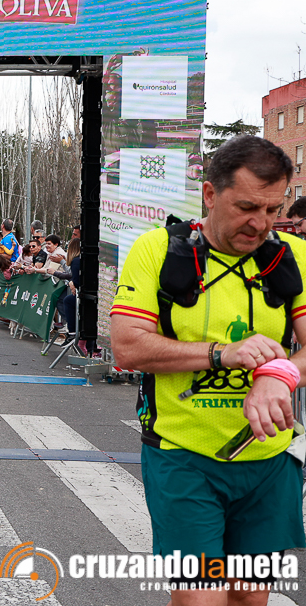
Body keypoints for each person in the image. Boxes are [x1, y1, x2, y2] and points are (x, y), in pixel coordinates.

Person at [111, 135, 306, 602]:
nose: (260, 224)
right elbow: (126, 347)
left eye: (272, 209)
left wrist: (280, 374)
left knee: (249, 597)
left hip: (269, 460)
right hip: (184, 456)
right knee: (202, 598)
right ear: (210, 194)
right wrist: (221, 353)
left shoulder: (293, 256)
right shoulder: (157, 250)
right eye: (246, 207)